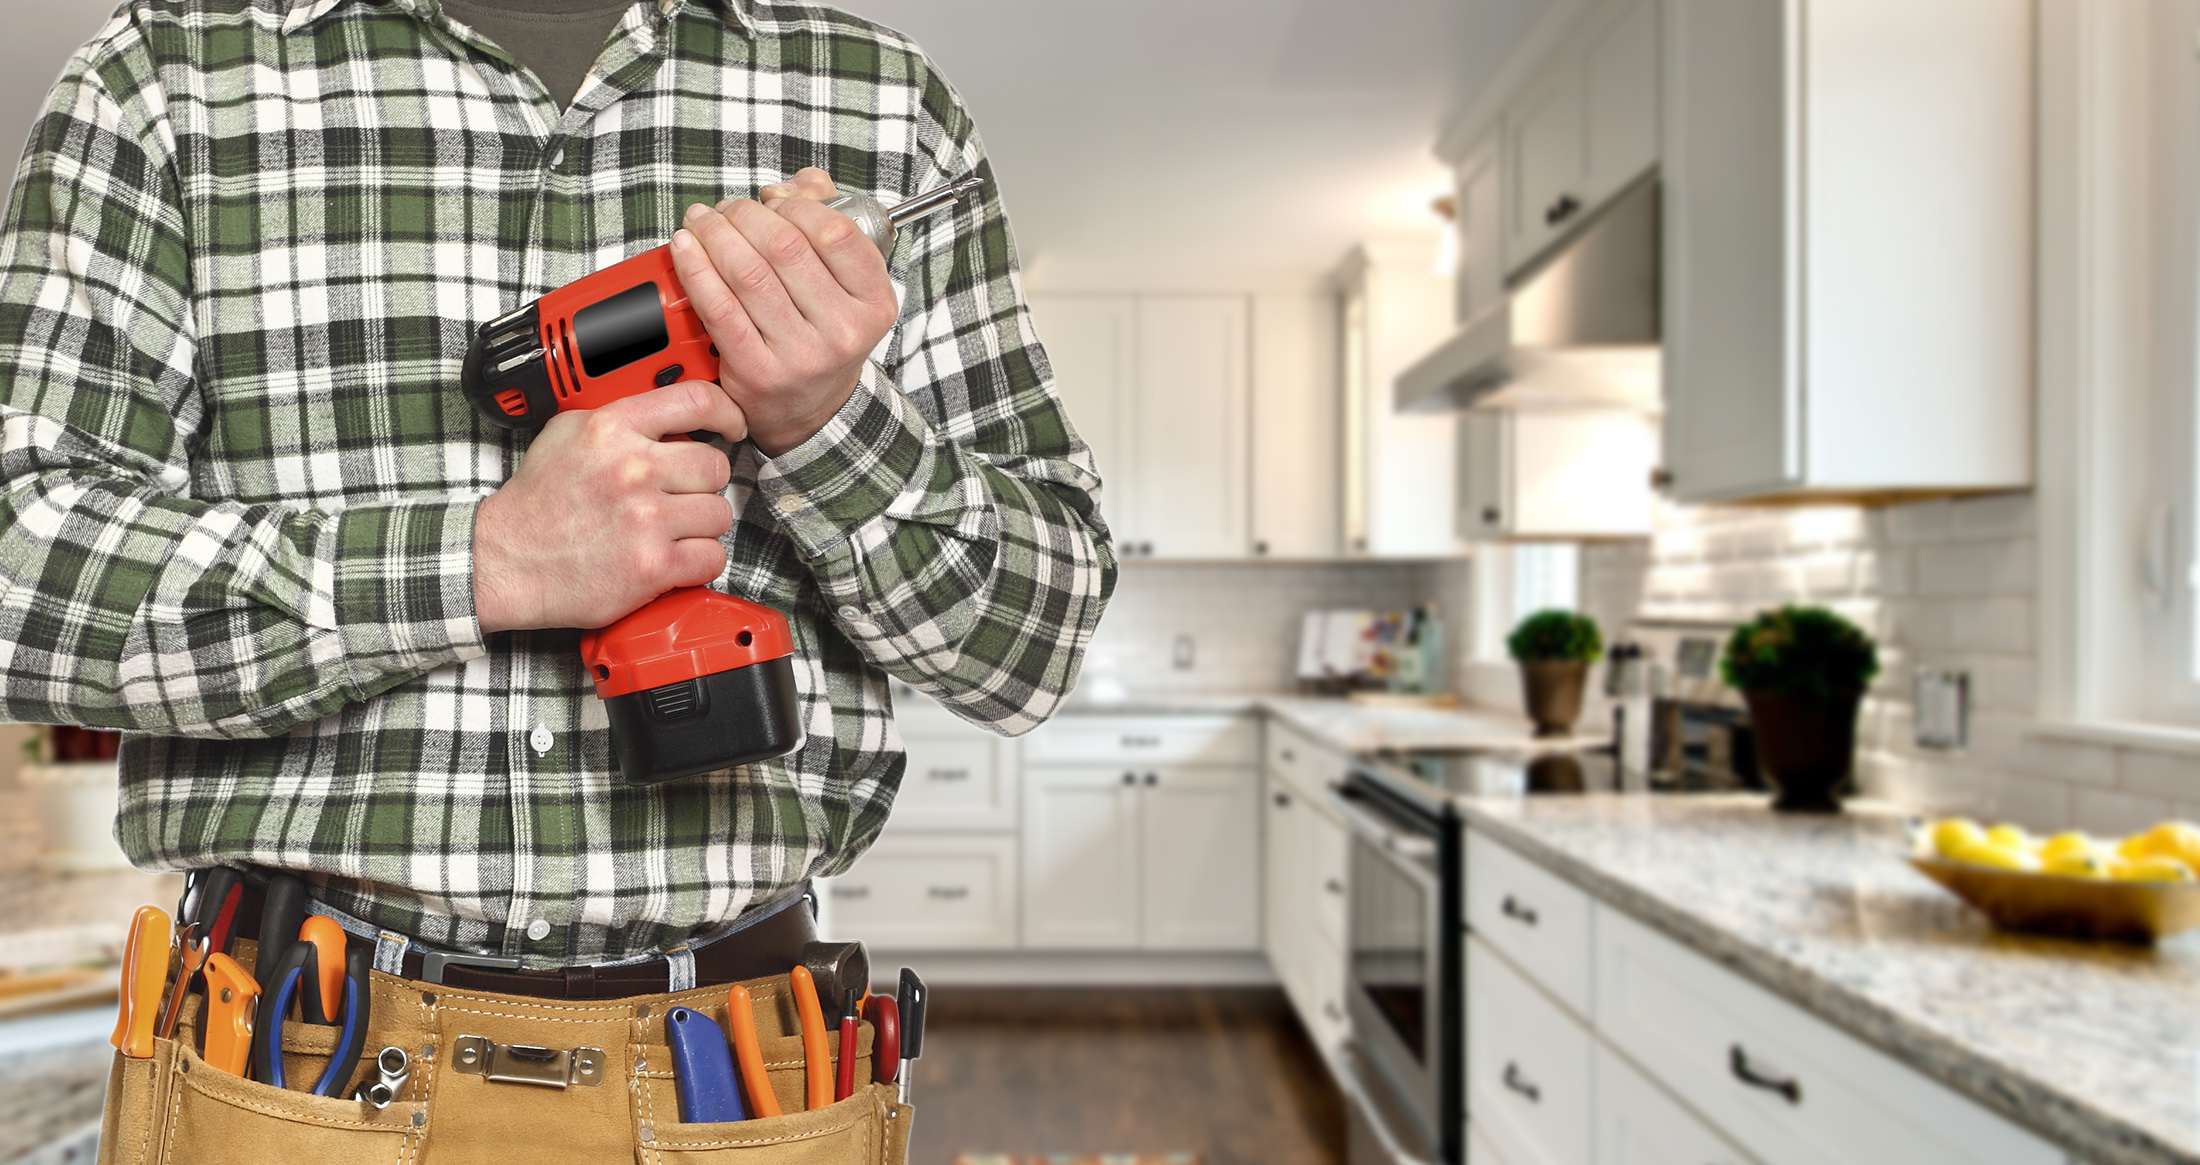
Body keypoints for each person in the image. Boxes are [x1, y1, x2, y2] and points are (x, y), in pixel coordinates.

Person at [0, 0, 1110, 1156]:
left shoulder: (879, 100)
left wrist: (828, 424)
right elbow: (15, 576)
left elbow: (1034, 650)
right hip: (291, 1064)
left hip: (742, 1079)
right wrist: (485, 560)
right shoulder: (174, 73)